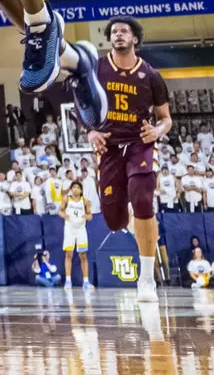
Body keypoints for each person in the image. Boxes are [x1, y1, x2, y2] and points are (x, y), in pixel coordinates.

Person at [85, 18, 170, 303]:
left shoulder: (151, 75)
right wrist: (90, 131)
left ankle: (146, 279)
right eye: (113, 32)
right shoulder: (96, 68)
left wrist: (157, 130)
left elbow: (166, 119)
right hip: (109, 147)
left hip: (139, 143)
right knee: (113, 220)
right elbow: (82, 102)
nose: (117, 35)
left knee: (143, 201)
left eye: (123, 31)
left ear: (135, 38)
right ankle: (133, 221)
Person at [61, 181, 92, 290]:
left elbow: (90, 215)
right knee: (69, 254)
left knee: (83, 255)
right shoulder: (66, 199)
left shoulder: (85, 201)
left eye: (77, 187)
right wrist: (65, 216)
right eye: (73, 187)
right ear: (71, 189)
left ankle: (86, 282)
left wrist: (87, 217)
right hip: (69, 228)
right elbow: (60, 211)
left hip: (81, 229)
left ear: (81, 190)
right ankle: (68, 281)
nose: (75, 189)